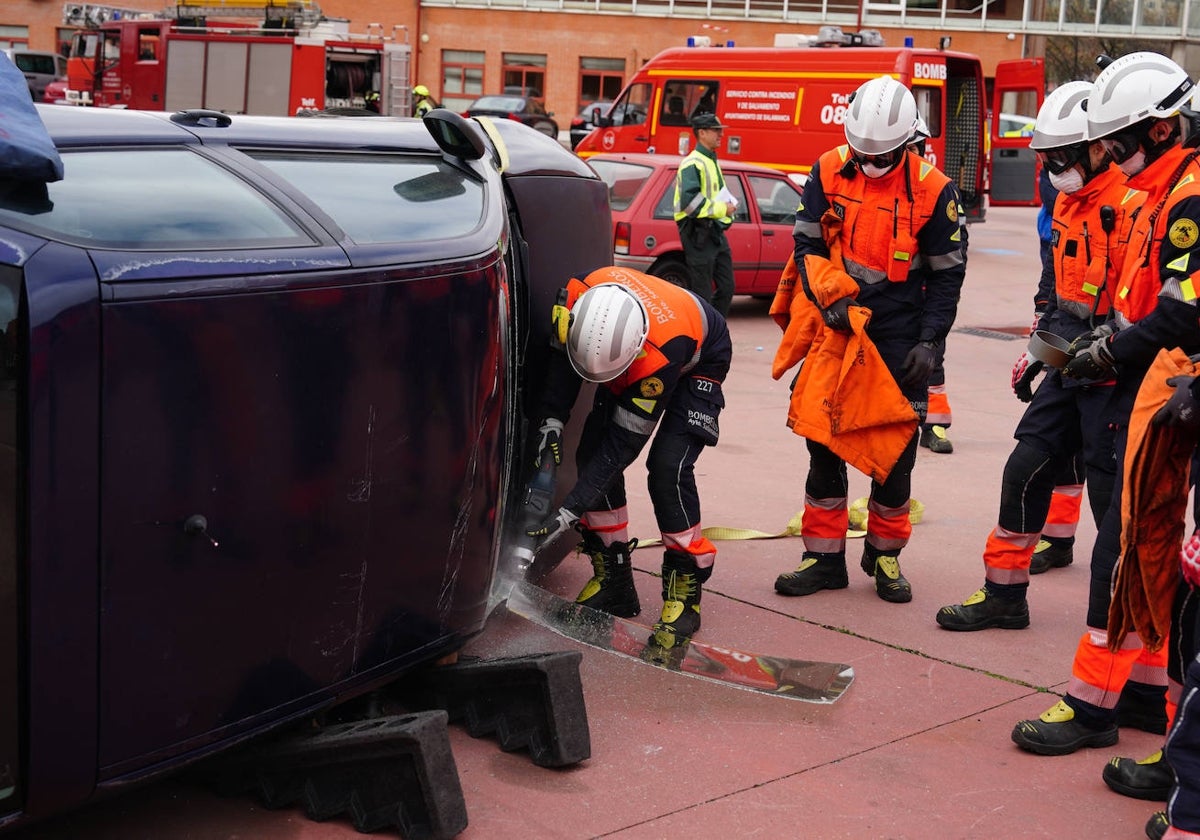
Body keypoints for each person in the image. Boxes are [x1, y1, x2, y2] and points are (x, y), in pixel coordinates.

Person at [1006, 51, 1200, 762]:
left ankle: (1093, 706)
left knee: (1123, 544)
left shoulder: (1186, 197)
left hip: (1158, 389)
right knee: (1141, 540)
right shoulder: (1163, 188)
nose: (1109, 154)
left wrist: (1112, 353)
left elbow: (1183, 312)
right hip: (1143, 383)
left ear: (1160, 129)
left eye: (1119, 141)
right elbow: (1135, 297)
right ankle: (1148, 690)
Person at [935, 81, 1145, 633]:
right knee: (1024, 470)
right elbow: (1053, 287)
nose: (1053, 166)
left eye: (1062, 156)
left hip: (1119, 372)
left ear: (1100, 146)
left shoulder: (1136, 204)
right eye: (1046, 157)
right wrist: (1037, 349)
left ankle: (1131, 634)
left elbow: (1145, 305)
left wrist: (1105, 351)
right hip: (1067, 362)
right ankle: (1005, 597)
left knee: (1111, 504)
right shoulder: (1064, 202)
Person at [770, 75, 965, 603]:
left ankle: (884, 558)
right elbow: (807, 241)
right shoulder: (828, 167)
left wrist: (930, 343)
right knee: (823, 442)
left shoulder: (934, 189)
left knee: (896, 454)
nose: (872, 164)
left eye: (884, 157)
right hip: (838, 321)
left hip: (900, 332)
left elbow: (948, 277)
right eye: (864, 155)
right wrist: (827, 297)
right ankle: (823, 560)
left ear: (908, 142)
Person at [526, 266, 732, 648]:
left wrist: (567, 513)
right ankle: (615, 582)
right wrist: (550, 426)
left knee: (668, 467)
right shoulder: (577, 304)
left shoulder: (658, 359)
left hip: (701, 352)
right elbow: (561, 379)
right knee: (588, 455)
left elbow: (620, 450)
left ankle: (685, 593)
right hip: (632, 346)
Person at [907, 116, 961, 456]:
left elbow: (955, 253)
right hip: (899, 296)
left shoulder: (938, 189)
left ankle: (935, 424)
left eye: (915, 147)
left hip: (928, 294)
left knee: (932, 358)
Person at [673, 112, 736, 317]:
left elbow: (717, 196)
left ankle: (713, 329)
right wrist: (722, 210)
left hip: (714, 232)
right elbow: (690, 204)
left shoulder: (711, 160)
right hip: (696, 233)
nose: (721, 135)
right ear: (702, 133)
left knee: (727, 287)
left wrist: (727, 214)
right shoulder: (693, 163)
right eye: (716, 131)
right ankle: (704, 337)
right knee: (702, 294)